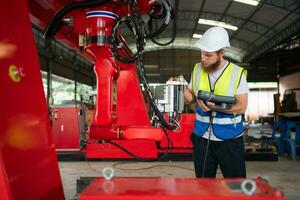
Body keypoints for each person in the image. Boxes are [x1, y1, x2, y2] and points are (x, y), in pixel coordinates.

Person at [184, 26, 249, 178]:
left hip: (230, 140)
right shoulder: (197, 69)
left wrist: (217, 108)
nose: (203, 58)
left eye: (208, 55)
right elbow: (190, 97)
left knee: (236, 185)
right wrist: (180, 89)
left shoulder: (236, 73)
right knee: (203, 186)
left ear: (221, 53)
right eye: (201, 53)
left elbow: (241, 107)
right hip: (202, 137)